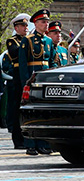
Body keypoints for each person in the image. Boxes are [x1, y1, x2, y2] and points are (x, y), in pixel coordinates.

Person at [17, 9, 57, 155]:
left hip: (46, 79)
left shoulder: (48, 41)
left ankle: (43, 144)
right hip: (33, 80)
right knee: (31, 113)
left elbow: (52, 61)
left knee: (45, 113)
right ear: (36, 23)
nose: (46, 24)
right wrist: (25, 84)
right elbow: (23, 64)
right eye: (43, 22)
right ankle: (30, 144)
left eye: (47, 21)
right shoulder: (27, 40)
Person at [3, 13, 30, 149]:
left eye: (26, 25)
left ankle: (27, 139)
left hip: (26, 76)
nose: (25, 28)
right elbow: (15, 53)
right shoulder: (12, 41)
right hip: (16, 78)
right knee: (15, 109)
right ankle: (18, 140)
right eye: (22, 26)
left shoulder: (28, 40)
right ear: (16, 27)